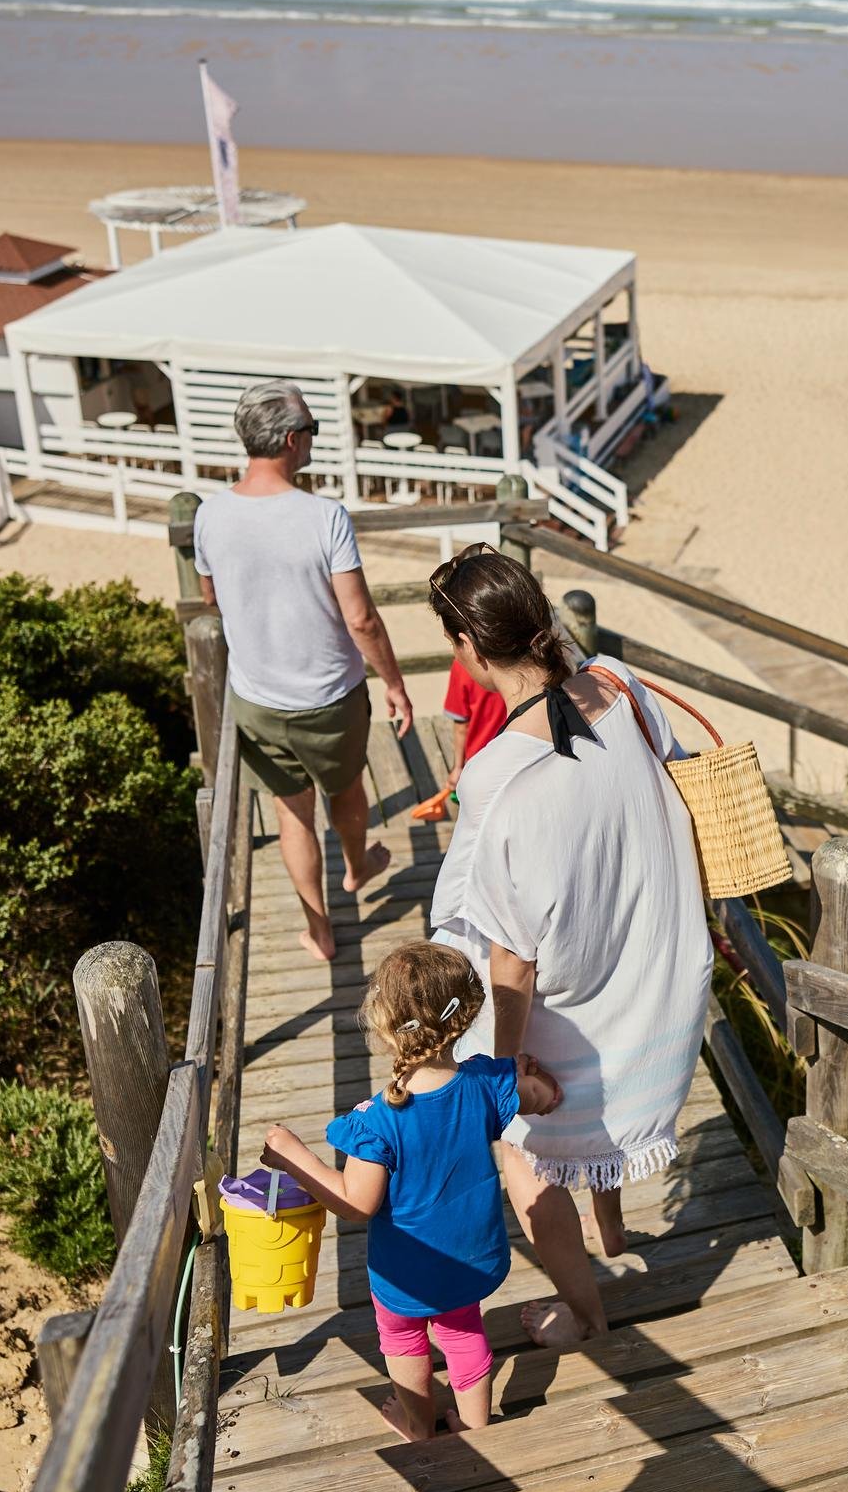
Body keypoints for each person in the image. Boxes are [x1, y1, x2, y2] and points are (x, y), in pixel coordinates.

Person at [424, 545, 712, 1349]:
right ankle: (613, 1237)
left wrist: (502, 1069)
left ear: (472, 650)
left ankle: (586, 1315)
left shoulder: (498, 774)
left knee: (526, 1156)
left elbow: (511, 951)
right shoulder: (619, 682)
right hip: (654, 970)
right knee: (587, 1127)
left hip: (572, 1002)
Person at [261, 941, 562, 1442]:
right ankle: (475, 1427)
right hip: (469, 1256)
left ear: (382, 1023)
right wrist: (540, 1085)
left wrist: (295, 1157)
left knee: (403, 1341)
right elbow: (542, 1096)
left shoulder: (379, 1123)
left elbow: (357, 1203)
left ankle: (418, 1424)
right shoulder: (487, 1083)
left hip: (406, 1272)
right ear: (464, 1018)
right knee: (463, 1332)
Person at [194, 380, 415, 961]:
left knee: (293, 814)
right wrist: (393, 683)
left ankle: (320, 932)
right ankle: (359, 863)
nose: (313, 438)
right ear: (293, 440)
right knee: (345, 789)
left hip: (258, 699)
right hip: (331, 697)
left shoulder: (209, 514)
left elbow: (210, 593)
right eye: (313, 429)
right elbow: (362, 619)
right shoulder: (324, 517)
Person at [410, 659, 510, 823]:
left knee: (481, 818)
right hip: (516, 753)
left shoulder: (463, 664)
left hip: (480, 761)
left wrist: (458, 767)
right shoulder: (519, 655)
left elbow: (461, 726)